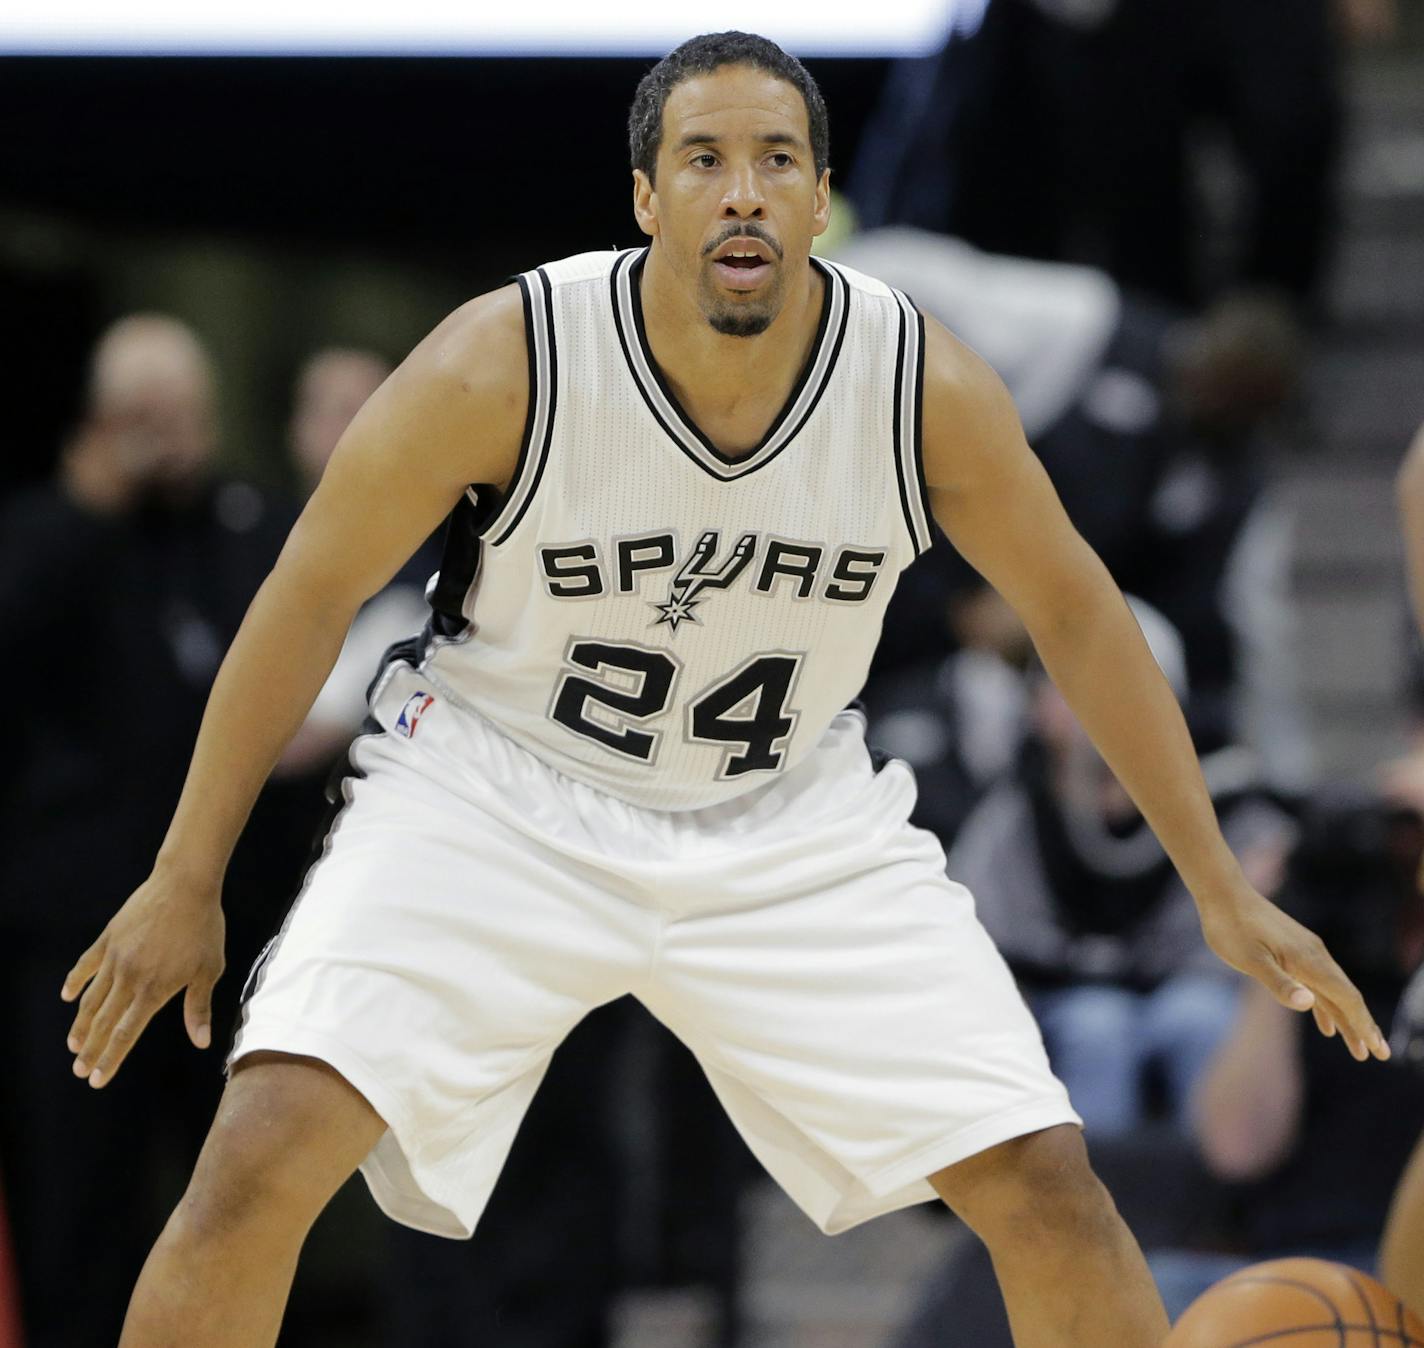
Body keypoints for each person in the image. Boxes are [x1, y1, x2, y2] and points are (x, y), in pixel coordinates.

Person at [64, 34, 1388, 1348]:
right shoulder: (507, 358)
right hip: (498, 789)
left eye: (778, 159)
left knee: (1048, 1189)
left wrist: (1217, 883)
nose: (743, 189)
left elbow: (1080, 615)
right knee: (256, 1162)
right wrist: (187, 876)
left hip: (782, 812)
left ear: (822, 201)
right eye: (704, 159)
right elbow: (306, 591)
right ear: (648, 199)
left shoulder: (916, 384)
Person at [0, 315, 289, 1346]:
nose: (165, 436)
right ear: (95, 421)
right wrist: (93, 499)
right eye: (140, 414)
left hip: (235, 931)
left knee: (244, 1192)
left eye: (181, 411)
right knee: (80, 1196)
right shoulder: (51, 530)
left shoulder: (246, 526)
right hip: (78, 935)